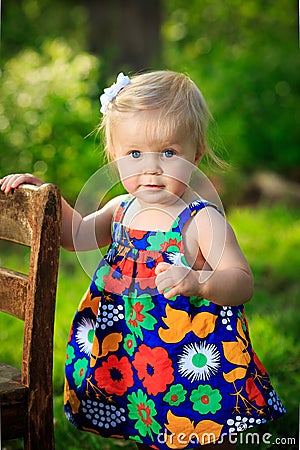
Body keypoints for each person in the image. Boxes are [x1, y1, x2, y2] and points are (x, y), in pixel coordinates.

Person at [0, 71, 285, 449]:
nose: (151, 168)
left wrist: (200, 282)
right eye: (134, 154)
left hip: (194, 358)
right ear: (114, 156)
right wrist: (44, 190)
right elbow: (77, 236)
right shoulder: (121, 208)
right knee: (147, 424)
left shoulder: (201, 220)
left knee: (205, 434)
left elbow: (242, 280)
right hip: (134, 351)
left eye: (168, 153)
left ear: (195, 155)